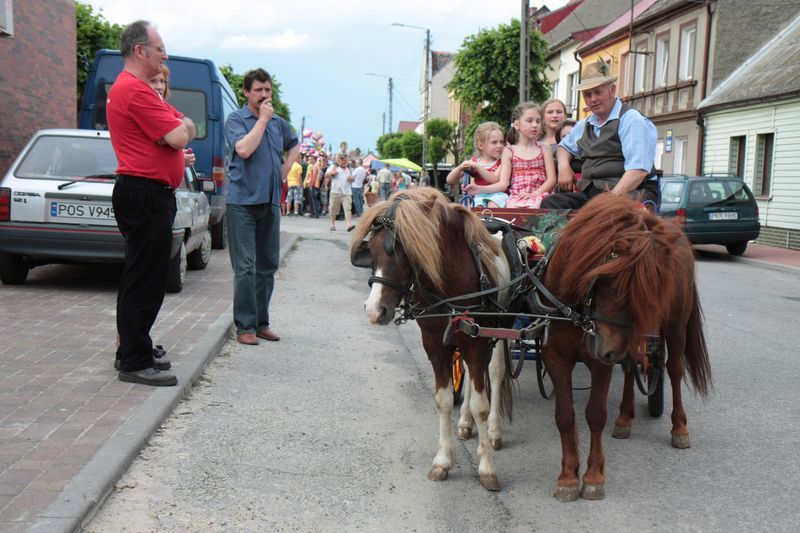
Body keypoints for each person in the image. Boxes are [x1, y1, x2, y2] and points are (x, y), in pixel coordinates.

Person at [108, 20, 196, 386]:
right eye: (159, 47)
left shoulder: (137, 89)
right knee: (146, 279)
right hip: (145, 194)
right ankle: (134, 360)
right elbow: (179, 133)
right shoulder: (136, 90)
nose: (165, 54)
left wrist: (178, 129)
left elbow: (176, 131)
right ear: (140, 50)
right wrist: (183, 127)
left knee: (139, 276)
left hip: (144, 193)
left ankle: (132, 349)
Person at [224, 67, 300, 345]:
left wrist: (288, 163)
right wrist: (263, 121)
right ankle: (244, 325)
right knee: (245, 267)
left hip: (269, 202)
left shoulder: (278, 123)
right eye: (259, 90)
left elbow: (295, 143)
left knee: (267, 266)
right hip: (242, 203)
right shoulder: (236, 120)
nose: (265, 94)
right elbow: (244, 149)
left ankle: (260, 322)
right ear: (247, 92)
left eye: (268, 90)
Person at [541, 60, 659, 210]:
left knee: (601, 219)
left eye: (598, 92)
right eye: (588, 94)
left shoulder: (632, 120)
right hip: (594, 194)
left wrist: (607, 201)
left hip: (632, 192)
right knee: (551, 204)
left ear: (612, 90)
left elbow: (638, 172)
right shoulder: (586, 124)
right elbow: (563, 147)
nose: (593, 99)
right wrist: (564, 167)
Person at [468, 103, 556, 208]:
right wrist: (480, 189)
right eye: (529, 121)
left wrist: (536, 193)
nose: (535, 125)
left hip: (540, 194)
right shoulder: (509, 150)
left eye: (538, 121)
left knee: (534, 208)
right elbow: (503, 183)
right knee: (512, 210)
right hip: (517, 196)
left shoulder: (544, 148)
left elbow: (551, 179)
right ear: (517, 124)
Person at [447, 121, 506, 208]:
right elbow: (449, 180)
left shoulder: (502, 162)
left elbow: (494, 179)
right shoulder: (474, 162)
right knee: (477, 206)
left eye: (501, 142)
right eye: (494, 142)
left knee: (493, 205)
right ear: (481, 145)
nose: (500, 145)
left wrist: (478, 167)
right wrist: (461, 166)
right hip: (480, 196)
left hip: (498, 195)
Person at [326, 153, 354, 231]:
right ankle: (332, 224)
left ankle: (349, 225)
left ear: (347, 160)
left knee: (348, 209)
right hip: (335, 191)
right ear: (338, 160)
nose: (343, 161)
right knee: (333, 209)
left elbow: (353, 179)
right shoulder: (334, 167)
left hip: (347, 193)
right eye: (341, 159)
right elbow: (326, 175)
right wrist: (332, 173)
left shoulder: (350, 169)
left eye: (345, 159)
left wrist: (351, 179)